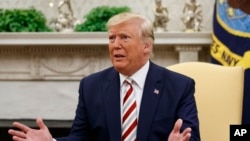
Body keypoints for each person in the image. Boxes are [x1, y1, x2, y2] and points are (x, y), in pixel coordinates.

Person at [8, 12, 200, 141]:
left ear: (146, 46)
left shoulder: (179, 86)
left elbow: (191, 137)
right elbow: (80, 138)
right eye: (111, 38)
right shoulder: (91, 86)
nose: (115, 45)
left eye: (124, 37)